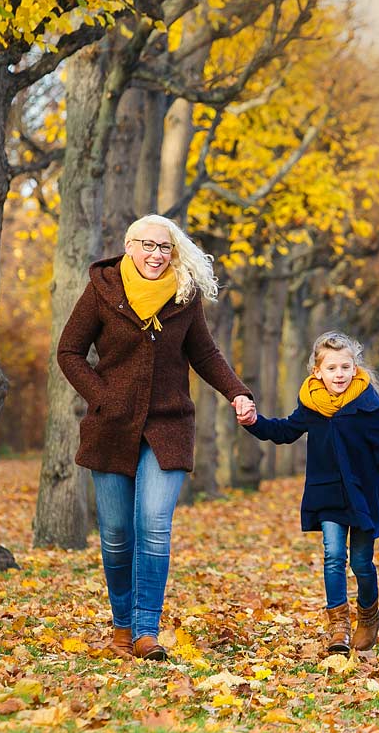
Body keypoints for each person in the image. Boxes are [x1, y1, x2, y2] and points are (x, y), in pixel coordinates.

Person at [57, 214, 255, 661]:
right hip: (111, 426)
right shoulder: (103, 289)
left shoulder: (184, 295)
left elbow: (205, 354)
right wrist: (102, 397)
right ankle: (122, 627)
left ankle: (147, 631)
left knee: (154, 526)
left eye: (164, 247)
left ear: (173, 252)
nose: (155, 254)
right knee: (115, 534)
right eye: (147, 245)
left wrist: (237, 393)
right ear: (129, 247)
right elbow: (69, 352)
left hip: (168, 425)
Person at [238, 331, 379, 654]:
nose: (339, 374)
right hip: (328, 494)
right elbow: (284, 431)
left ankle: (369, 615)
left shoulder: (369, 407)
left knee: (361, 563)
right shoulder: (311, 406)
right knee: (333, 556)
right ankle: (339, 626)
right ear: (317, 372)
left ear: (354, 368)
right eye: (332, 368)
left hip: (364, 496)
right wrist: (254, 422)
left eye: (345, 367)